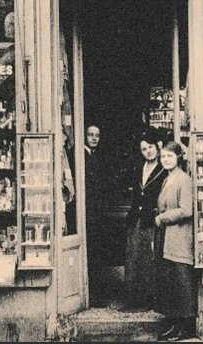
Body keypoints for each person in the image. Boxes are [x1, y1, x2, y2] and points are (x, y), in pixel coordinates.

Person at [154, 141, 196, 341]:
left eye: (169, 156)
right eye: (163, 157)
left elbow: (187, 210)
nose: (166, 160)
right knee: (171, 282)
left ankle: (185, 328)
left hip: (179, 236)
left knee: (182, 281)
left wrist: (163, 217)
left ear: (178, 157)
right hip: (168, 237)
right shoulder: (167, 178)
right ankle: (174, 324)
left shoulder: (183, 179)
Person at [124, 130, 168, 311]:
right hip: (136, 219)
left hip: (152, 219)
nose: (147, 151)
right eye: (144, 149)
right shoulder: (138, 167)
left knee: (150, 260)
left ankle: (150, 300)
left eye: (150, 147)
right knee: (134, 258)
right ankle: (134, 300)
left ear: (157, 147)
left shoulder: (164, 170)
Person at [84, 124, 112, 307]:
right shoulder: (76, 155)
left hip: (98, 213)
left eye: (97, 135)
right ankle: (88, 294)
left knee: (97, 254)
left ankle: (97, 294)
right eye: (90, 135)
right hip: (84, 214)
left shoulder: (101, 156)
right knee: (89, 254)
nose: (94, 138)